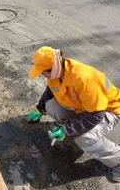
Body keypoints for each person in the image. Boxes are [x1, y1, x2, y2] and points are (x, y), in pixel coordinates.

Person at [27, 46, 120, 183]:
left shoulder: (84, 78)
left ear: (54, 68)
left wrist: (67, 129)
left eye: (42, 72)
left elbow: (96, 114)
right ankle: (74, 128)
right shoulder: (56, 74)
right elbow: (50, 92)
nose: (42, 75)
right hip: (84, 109)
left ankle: (117, 161)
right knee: (51, 106)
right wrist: (39, 109)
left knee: (84, 138)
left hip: (108, 110)